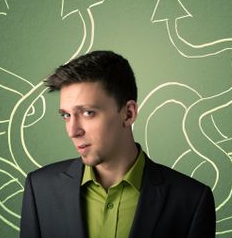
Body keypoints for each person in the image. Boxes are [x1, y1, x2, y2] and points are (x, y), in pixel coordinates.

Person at [20, 50, 216, 238]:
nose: (73, 131)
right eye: (66, 115)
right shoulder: (39, 190)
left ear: (128, 113)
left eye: (88, 112)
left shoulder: (191, 201)